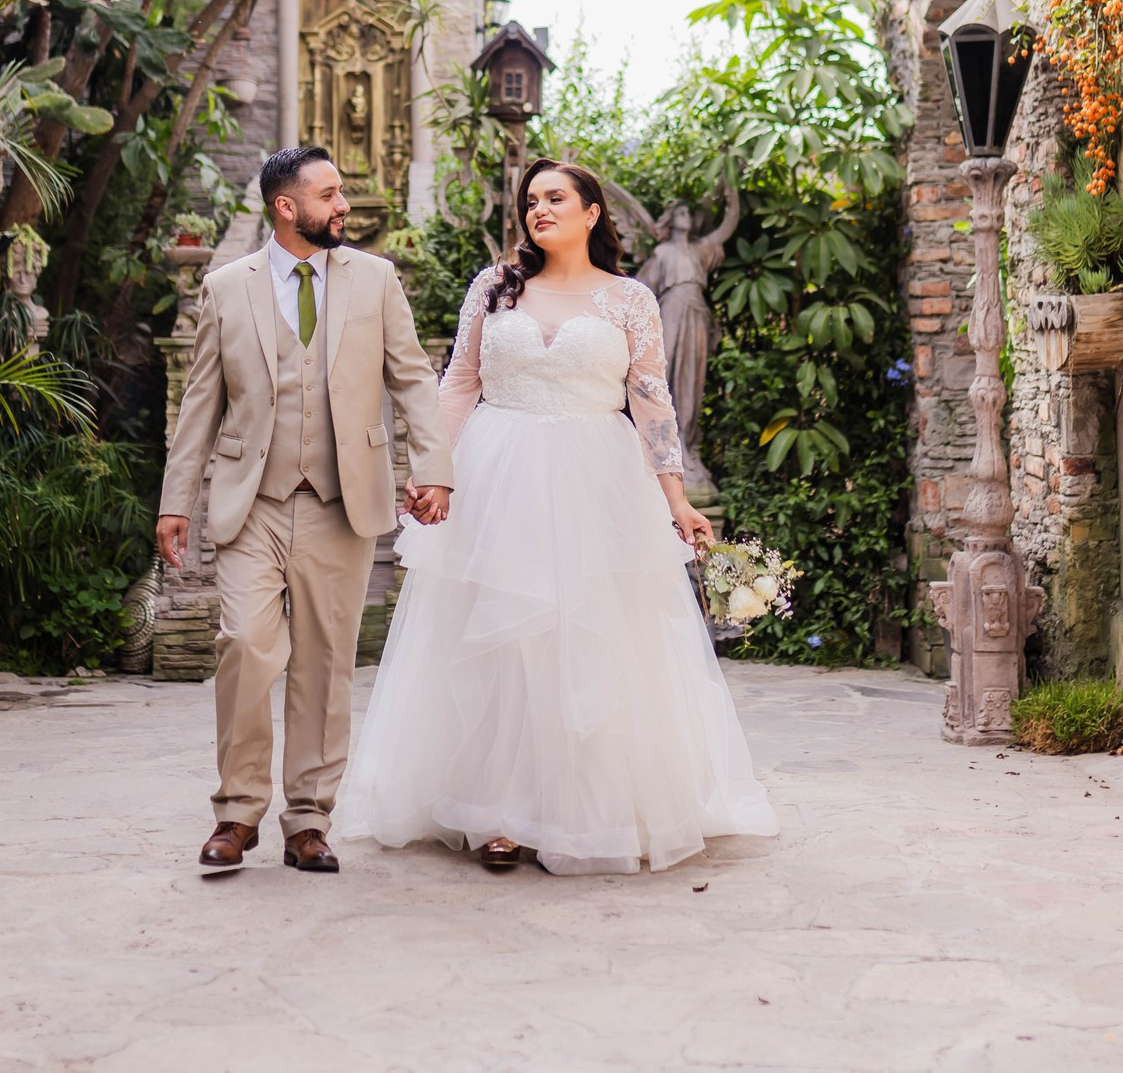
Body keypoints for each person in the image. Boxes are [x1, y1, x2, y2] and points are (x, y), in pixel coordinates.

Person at [338, 159, 778, 874]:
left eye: (555, 198)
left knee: (588, 643)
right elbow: (458, 386)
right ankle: (500, 812)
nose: (538, 209)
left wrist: (676, 500)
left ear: (592, 212)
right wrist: (431, 474)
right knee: (502, 643)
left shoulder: (630, 300)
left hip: (597, 482)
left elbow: (652, 404)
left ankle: (586, 807)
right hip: (496, 474)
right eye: (531, 200)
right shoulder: (495, 286)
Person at [157, 145, 453, 874]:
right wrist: (176, 502)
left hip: (341, 502)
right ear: (287, 208)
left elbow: (414, 379)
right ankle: (236, 814)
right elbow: (201, 402)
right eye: (329, 194)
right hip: (250, 501)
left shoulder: (377, 280)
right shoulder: (228, 288)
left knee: (326, 666)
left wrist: (434, 470)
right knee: (246, 648)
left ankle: (308, 820)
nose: (343, 204)